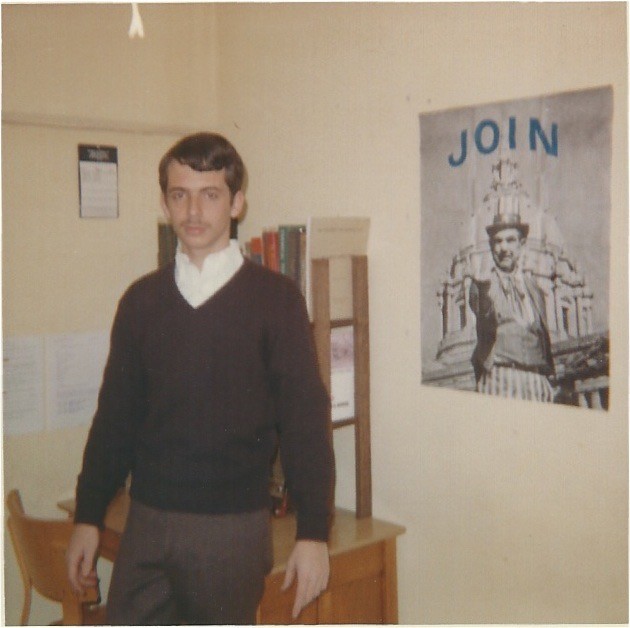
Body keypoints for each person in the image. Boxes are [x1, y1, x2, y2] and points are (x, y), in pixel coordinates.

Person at [66, 132, 335, 624]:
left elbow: (304, 422)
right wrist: (87, 517)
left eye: (209, 195)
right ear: (165, 202)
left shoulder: (276, 300)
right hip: (146, 522)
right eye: (179, 194)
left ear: (237, 203)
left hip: (230, 532)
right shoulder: (141, 302)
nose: (193, 210)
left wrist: (314, 533)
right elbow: (114, 422)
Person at [469, 206, 555, 402]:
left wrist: (547, 378)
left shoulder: (534, 287)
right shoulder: (483, 284)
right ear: (491, 247)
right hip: (500, 377)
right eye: (498, 241)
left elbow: (542, 334)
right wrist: (482, 287)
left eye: (510, 240)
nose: (504, 248)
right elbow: (483, 314)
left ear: (521, 245)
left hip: (537, 380)